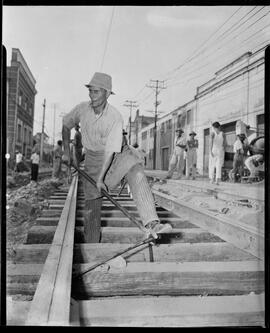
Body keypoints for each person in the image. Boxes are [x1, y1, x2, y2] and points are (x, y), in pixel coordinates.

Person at [62, 72, 171, 243]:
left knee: (136, 172)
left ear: (107, 93)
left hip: (118, 154)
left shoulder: (114, 117)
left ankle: (152, 223)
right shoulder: (82, 109)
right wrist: (66, 152)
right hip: (92, 158)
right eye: (91, 91)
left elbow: (110, 153)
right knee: (92, 203)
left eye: (96, 92)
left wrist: (101, 179)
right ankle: (92, 243)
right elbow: (66, 124)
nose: (92, 96)